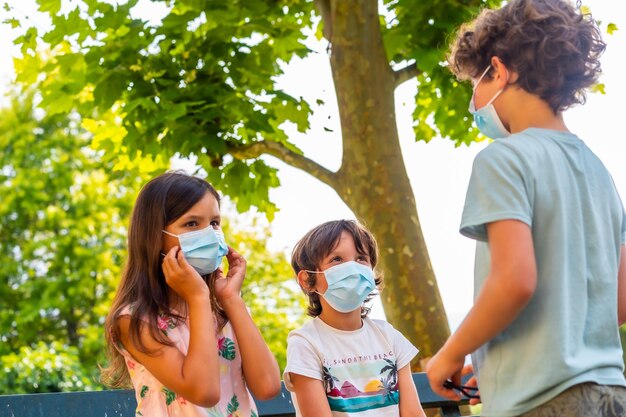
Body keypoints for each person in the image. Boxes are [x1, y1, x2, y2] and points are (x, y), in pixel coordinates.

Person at [425, 0, 626, 416]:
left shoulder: (502, 159)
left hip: (541, 402)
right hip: (609, 392)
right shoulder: (597, 168)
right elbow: (619, 296)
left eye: (475, 84)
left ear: (499, 70)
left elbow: (514, 280)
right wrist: (505, 362)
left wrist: (452, 353)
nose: (475, 102)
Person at [101, 171, 280, 417]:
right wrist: (198, 298)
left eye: (214, 223)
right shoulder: (135, 320)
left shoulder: (226, 310)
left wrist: (231, 299)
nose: (209, 234)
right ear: (155, 236)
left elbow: (268, 387)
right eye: (192, 223)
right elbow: (203, 392)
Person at [284, 219, 426, 417]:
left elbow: (413, 414)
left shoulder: (389, 337)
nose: (352, 267)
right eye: (337, 259)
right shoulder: (306, 343)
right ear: (308, 279)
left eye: (361, 258)